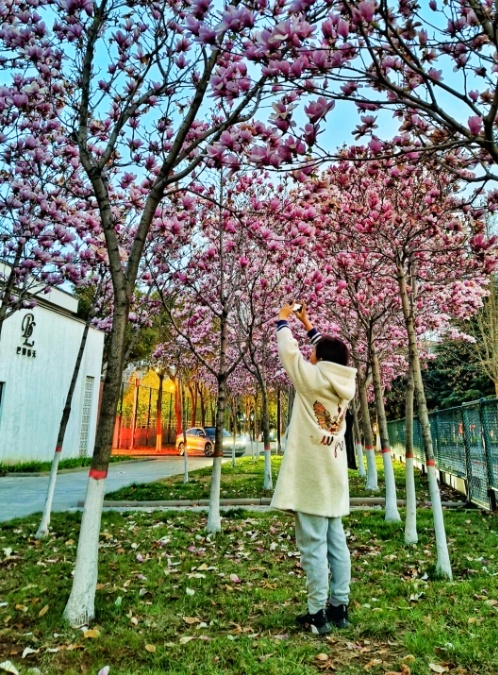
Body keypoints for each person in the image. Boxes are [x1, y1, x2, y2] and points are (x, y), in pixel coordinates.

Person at [271, 301, 357, 635]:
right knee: (337, 545)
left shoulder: (310, 382)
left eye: (314, 354)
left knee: (313, 548)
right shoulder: (343, 385)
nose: (310, 356)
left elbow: (289, 354)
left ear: (320, 361)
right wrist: (308, 325)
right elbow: (327, 358)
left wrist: (283, 321)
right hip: (334, 478)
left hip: (312, 479)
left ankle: (317, 613)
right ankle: (339, 607)